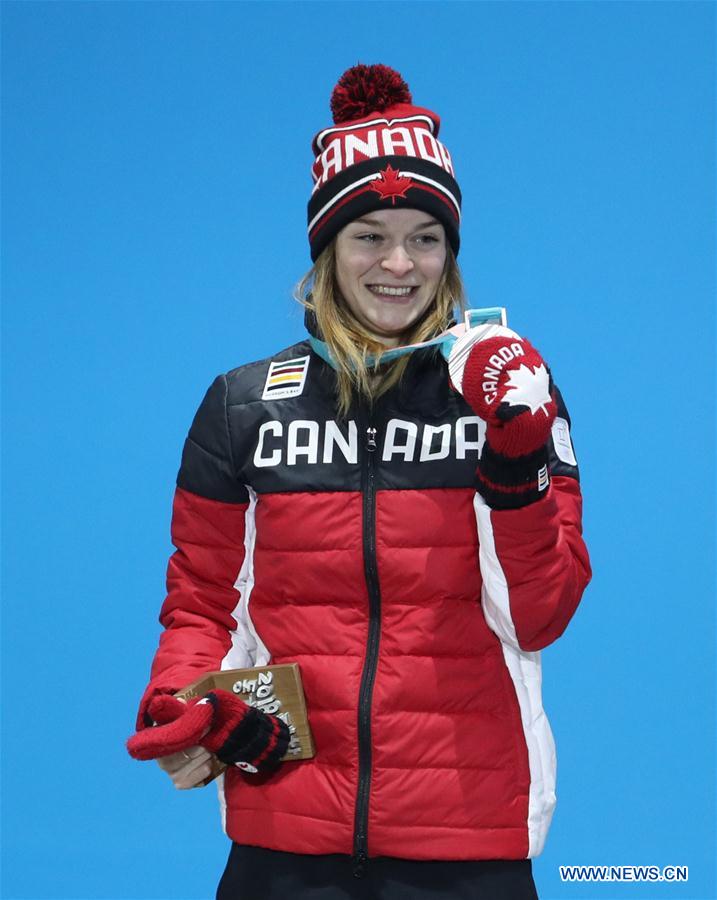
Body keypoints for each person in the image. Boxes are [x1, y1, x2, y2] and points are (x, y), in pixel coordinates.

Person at [129, 64, 592, 900]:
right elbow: (203, 601)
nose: (398, 263)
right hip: (284, 835)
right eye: (368, 235)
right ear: (326, 250)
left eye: (424, 236)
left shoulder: (511, 391)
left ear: (450, 254)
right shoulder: (241, 406)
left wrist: (515, 463)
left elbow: (539, 614)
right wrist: (181, 702)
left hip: (470, 836)